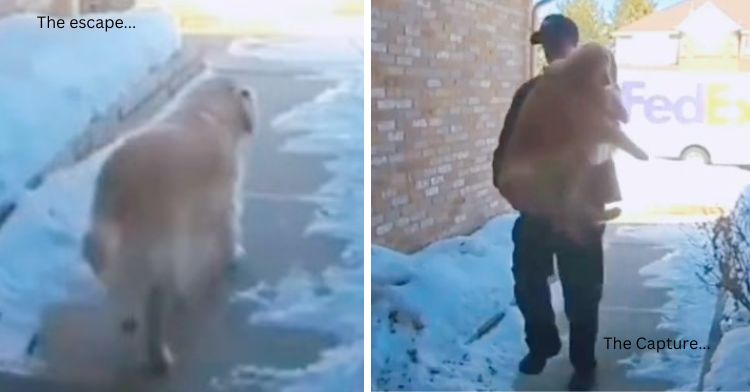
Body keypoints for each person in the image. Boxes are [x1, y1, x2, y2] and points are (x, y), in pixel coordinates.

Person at [491, 14, 622, 391]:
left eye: (551, 43)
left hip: (581, 210)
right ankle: (542, 342)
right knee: (529, 280)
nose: (547, 52)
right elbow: (506, 149)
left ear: (573, 47)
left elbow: (606, 145)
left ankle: (583, 356)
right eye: (543, 46)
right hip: (539, 209)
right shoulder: (529, 92)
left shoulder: (597, 92)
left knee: (583, 289)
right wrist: (514, 191)